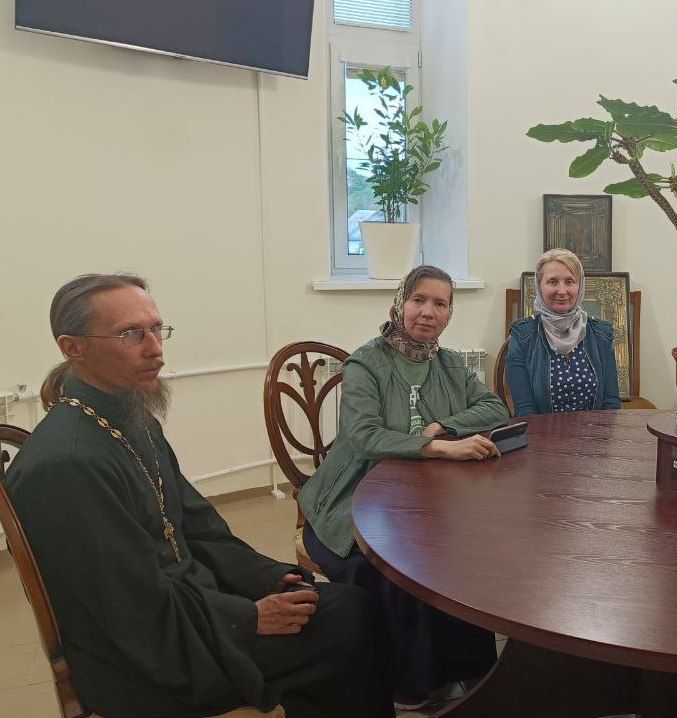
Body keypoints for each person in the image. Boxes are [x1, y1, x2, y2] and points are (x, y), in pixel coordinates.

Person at [4, 274, 393, 718]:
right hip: (146, 660)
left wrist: (266, 577)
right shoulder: (67, 465)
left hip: (189, 610)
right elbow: (131, 607)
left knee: (332, 601)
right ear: (73, 348)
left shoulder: (131, 417)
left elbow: (196, 525)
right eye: (131, 334)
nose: (155, 349)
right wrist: (249, 617)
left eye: (157, 329)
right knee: (349, 619)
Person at [299, 265, 509, 711]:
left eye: (440, 303)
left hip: (425, 499)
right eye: (418, 300)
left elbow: (494, 407)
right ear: (399, 304)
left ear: (449, 314)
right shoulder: (365, 363)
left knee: (464, 551)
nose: (428, 312)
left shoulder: (449, 364)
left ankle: (469, 670)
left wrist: (444, 425)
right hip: (351, 501)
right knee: (391, 568)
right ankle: (409, 681)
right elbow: (363, 437)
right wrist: (437, 447)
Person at [505, 249, 621, 416]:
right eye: (552, 282)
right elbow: (525, 410)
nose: (562, 291)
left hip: (594, 431)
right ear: (539, 286)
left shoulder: (601, 334)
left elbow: (611, 404)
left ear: (580, 286)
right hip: (541, 431)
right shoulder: (522, 336)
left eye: (569, 281)